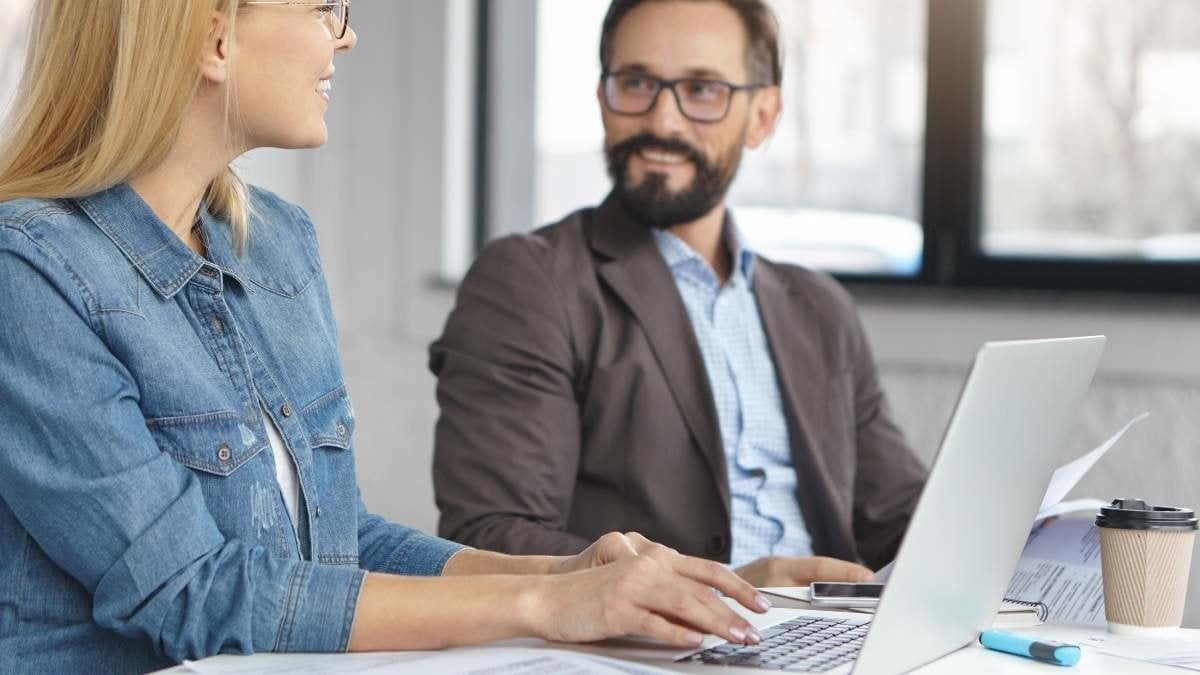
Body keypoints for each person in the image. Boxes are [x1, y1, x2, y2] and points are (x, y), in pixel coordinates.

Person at [0, 2, 773, 672]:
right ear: (215, 40)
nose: (346, 36)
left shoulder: (275, 243)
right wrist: (544, 602)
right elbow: (190, 591)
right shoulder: (28, 272)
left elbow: (338, 546)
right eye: (321, 6)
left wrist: (569, 571)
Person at [430, 0, 928, 587]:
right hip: (655, 648)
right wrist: (724, 587)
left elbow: (904, 520)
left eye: (702, 89)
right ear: (602, 98)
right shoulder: (532, 282)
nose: (663, 122)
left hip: (834, 636)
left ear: (763, 115)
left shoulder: (819, 308)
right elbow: (491, 537)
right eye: (636, 83)